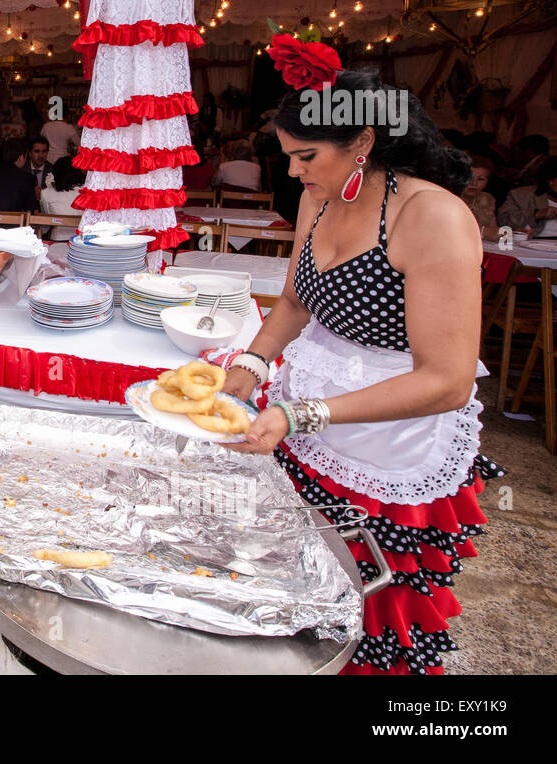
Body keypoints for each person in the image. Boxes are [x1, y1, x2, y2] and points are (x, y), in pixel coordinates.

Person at [220, 64, 501, 675]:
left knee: (364, 603)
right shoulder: (316, 198)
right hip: (307, 424)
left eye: (305, 156)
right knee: (300, 584)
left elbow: (447, 380)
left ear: (364, 143)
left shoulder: (431, 216)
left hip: (391, 435)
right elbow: (295, 300)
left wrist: (300, 415)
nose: (293, 171)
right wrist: (252, 359)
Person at [497, 156, 557, 234]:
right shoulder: (522, 195)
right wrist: (536, 214)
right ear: (550, 180)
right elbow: (503, 221)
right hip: (533, 243)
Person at [39, 155, 85, 241]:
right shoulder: (87, 191)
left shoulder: (46, 193)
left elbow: (47, 220)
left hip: (58, 238)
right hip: (81, 239)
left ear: (56, 173)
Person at [460, 156, 498, 231]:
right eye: (469, 178)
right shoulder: (448, 198)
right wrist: (483, 233)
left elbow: (493, 229)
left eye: (480, 179)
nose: (474, 183)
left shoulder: (486, 199)